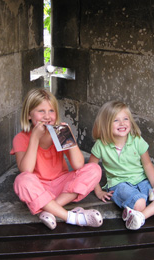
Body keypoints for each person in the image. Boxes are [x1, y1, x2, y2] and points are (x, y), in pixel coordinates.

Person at [11, 88, 103, 230]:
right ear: (29, 114)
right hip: (38, 187)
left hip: (62, 186)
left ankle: (50, 209)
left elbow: (78, 165)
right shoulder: (21, 138)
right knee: (21, 180)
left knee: (94, 169)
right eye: (41, 111)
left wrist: (69, 137)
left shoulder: (59, 133)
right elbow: (26, 170)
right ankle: (73, 217)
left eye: (51, 111)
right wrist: (34, 138)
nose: (47, 116)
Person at [89, 101, 154, 230]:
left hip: (142, 180)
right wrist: (98, 191)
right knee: (140, 202)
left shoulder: (137, 140)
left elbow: (147, 164)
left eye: (125, 119)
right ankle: (140, 212)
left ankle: (139, 216)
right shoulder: (101, 145)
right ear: (105, 124)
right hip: (119, 184)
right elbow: (91, 170)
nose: (122, 123)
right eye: (116, 120)